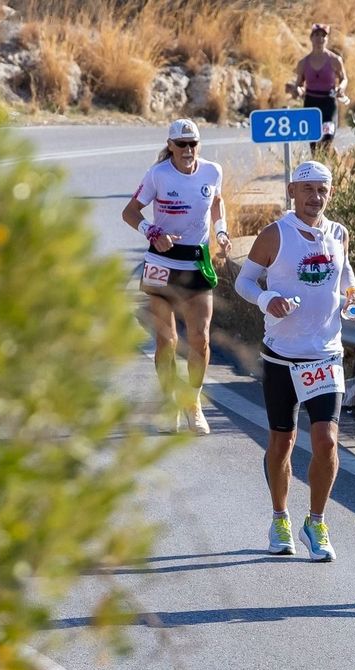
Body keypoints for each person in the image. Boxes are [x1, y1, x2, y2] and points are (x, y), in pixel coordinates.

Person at [233, 160, 355, 561]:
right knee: (282, 441)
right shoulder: (276, 234)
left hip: (325, 355)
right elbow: (242, 279)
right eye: (308, 189)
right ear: (292, 192)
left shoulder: (338, 233)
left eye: (322, 190)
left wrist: (354, 293)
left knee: (326, 442)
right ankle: (279, 517)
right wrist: (265, 299)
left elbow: (345, 276)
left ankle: (317, 521)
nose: (315, 197)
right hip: (282, 357)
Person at [121, 118, 230, 435]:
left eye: (192, 143)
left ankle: (192, 403)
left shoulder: (212, 171)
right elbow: (130, 212)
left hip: (196, 261)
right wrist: (152, 231)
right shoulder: (158, 174)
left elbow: (217, 203)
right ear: (169, 145)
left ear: (199, 144)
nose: (187, 150)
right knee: (167, 341)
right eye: (180, 144)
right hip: (161, 262)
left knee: (200, 338)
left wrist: (221, 232)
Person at [286, 23, 348, 155]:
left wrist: (341, 88)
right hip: (311, 104)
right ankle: (323, 167)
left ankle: (332, 163)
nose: (320, 39)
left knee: (327, 139)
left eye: (323, 36)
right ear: (311, 38)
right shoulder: (303, 63)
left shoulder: (335, 60)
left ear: (327, 39)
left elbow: (344, 78)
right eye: (316, 35)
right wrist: (297, 90)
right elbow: (299, 84)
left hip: (328, 104)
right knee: (314, 145)